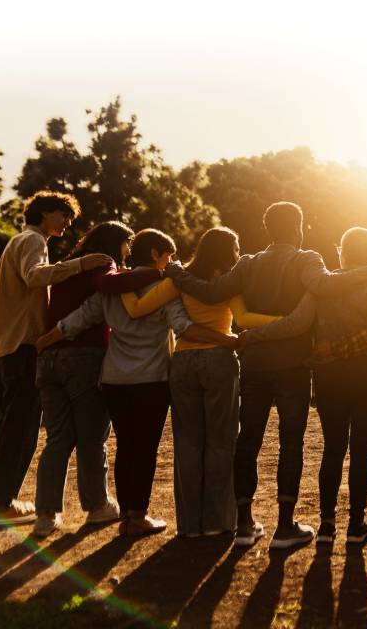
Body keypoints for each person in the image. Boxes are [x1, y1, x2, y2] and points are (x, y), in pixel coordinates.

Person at [165, 202, 367, 549]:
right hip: (292, 365)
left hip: (254, 365)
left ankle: (243, 525)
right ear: (298, 227)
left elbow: (210, 292)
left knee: (248, 440)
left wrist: (176, 272)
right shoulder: (307, 259)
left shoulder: (247, 263)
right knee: (290, 442)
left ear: (268, 230)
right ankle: (285, 526)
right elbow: (324, 286)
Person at [237, 226, 367, 545]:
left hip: (330, 376)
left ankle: (327, 525)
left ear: (342, 250)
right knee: (361, 449)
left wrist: (252, 336)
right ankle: (357, 524)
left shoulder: (321, 288)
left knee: (333, 447)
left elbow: (296, 323)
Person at [37, 229, 238, 536]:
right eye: (168, 255)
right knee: (144, 449)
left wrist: (42, 343)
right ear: (157, 254)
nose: (171, 262)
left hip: (115, 379)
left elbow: (79, 318)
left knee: (125, 447)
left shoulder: (113, 287)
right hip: (151, 379)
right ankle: (137, 516)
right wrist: (225, 339)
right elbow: (183, 326)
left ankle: (126, 517)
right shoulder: (163, 285)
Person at [120, 227, 282, 538]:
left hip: (182, 364)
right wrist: (284, 322)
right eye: (236, 248)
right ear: (227, 251)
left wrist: (119, 277)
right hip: (219, 360)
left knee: (188, 444)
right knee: (221, 443)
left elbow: (138, 308)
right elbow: (244, 319)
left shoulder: (177, 280)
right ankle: (219, 522)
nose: (238, 254)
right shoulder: (227, 283)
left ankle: (191, 526)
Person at [0, 191, 113, 528]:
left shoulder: (17, 242)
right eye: (63, 215)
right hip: (23, 346)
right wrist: (80, 264)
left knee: (8, 427)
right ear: (46, 213)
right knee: (22, 429)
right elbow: (35, 276)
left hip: (6, 348)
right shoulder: (32, 240)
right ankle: (1, 506)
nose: (67, 224)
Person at [33, 221, 162, 537]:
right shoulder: (104, 263)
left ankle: (46, 515)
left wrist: (47, 341)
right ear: (116, 243)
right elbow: (110, 287)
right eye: (126, 245)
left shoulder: (72, 266)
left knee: (58, 438)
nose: (128, 252)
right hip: (83, 356)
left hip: (50, 359)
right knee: (92, 437)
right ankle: (97, 506)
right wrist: (162, 273)